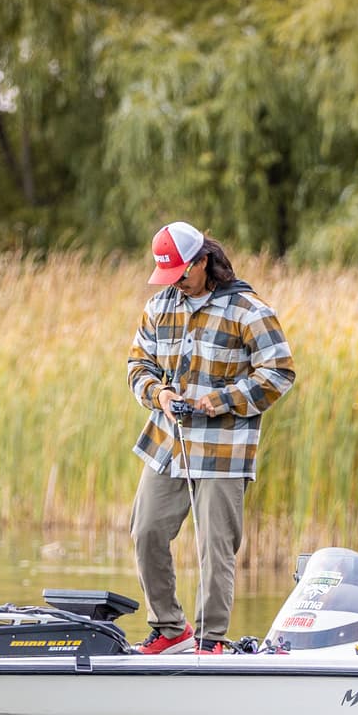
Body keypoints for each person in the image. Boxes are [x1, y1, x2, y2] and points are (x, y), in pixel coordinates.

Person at [125, 221, 296, 654]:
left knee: (214, 548)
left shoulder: (249, 310)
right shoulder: (159, 306)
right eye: (168, 276)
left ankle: (209, 641)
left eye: (182, 273)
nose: (176, 283)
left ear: (203, 261)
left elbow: (280, 372)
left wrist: (221, 401)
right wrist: (158, 394)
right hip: (167, 445)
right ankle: (170, 629)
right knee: (145, 531)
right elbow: (138, 365)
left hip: (224, 451)